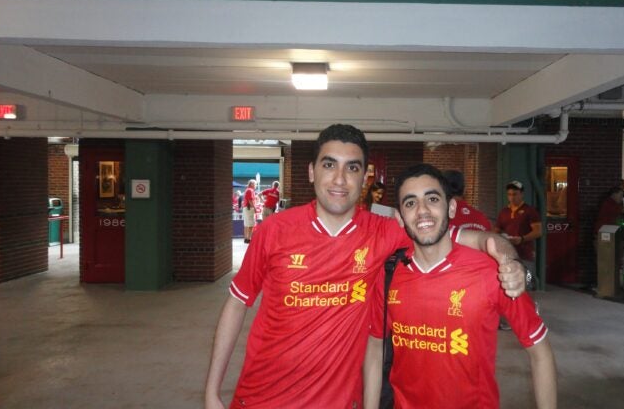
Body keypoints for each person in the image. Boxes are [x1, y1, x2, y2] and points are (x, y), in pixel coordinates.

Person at [204, 124, 526, 409]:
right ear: (312, 172)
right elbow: (237, 303)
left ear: (364, 176)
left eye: (352, 168)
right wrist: (211, 391)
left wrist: (504, 256)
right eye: (329, 165)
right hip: (263, 397)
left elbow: (447, 233)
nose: (340, 179)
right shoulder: (274, 231)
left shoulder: (383, 231)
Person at [363, 164, 557, 409]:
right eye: (410, 203)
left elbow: (540, 350)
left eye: (432, 199)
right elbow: (374, 345)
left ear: (451, 207)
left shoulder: (492, 273)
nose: (422, 211)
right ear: (400, 218)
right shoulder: (389, 275)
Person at [496, 180, 542, 272]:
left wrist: (522, 239)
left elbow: (538, 231)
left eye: (515, 194)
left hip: (525, 254)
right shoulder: (504, 211)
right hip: (508, 254)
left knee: (526, 282)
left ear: (522, 194)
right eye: (509, 194)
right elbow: (497, 229)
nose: (512, 197)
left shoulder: (530, 210)